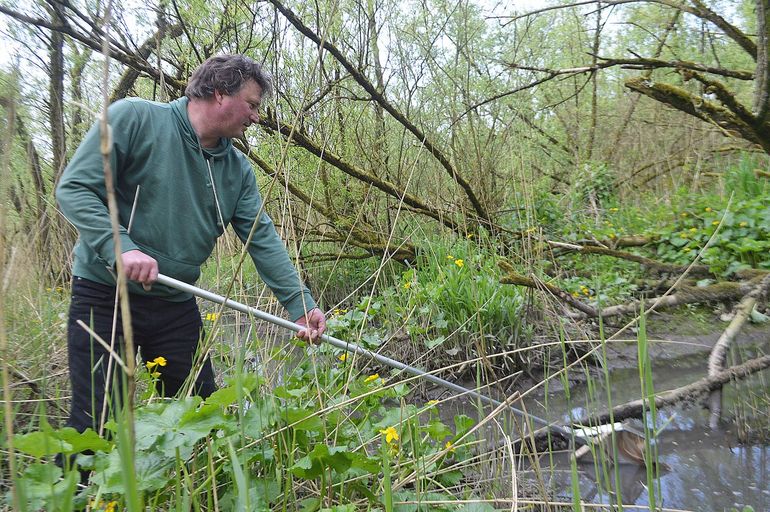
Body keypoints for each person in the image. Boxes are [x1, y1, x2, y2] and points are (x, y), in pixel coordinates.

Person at [56, 54, 326, 434]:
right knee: (95, 423)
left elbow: (260, 237)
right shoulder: (134, 118)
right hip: (104, 295)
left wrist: (300, 306)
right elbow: (74, 188)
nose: (256, 117)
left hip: (174, 304)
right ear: (219, 93)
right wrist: (121, 246)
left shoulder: (238, 171)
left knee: (199, 420)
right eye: (251, 105)